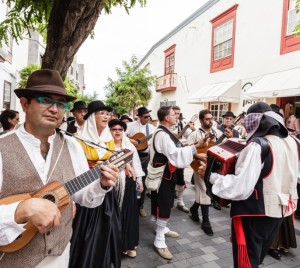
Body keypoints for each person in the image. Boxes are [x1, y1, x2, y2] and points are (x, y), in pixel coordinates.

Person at [0, 69, 118, 267]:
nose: (55, 109)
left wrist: (101, 185)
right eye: (46, 100)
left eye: (61, 104)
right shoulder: (2, 147)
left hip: (61, 256)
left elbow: (83, 196)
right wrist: (19, 211)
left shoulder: (72, 146)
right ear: (24, 104)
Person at [203, 102, 299, 268]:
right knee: (257, 256)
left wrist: (211, 176)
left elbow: (240, 187)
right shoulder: (294, 142)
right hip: (280, 211)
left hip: (255, 213)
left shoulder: (258, 146)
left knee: (247, 262)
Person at [149, 106, 208, 260]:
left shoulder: (163, 132)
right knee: (165, 204)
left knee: (163, 203)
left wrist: (196, 151)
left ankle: (161, 229)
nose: (177, 117)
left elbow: (178, 149)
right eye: (174, 115)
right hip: (164, 176)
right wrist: (196, 147)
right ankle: (159, 240)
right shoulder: (162, 134)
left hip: (166, 174)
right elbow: (175, 154)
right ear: (167, 118)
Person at [69, 100, 124, 268]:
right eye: (102, 113)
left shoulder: (109, 139)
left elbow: (115, 161)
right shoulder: (78, 139)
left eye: (108, 113)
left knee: (108, 226)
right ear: (92, 117)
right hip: (86, 190)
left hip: (106, 190)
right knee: (87, 232)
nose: (106, 116)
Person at [108, 119, 144, 258]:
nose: (117, 132)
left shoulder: (129, 145)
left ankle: (129, 245)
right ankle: (112, 246)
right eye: (114, 129)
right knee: (113, 214)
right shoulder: (104, 146)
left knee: (128, 214)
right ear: (109, 131)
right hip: (111, 183)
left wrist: (139, 181)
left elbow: (136, 164)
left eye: (120, 129)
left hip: (128, 182)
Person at [187, 109, 224, 236]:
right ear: (201, 120)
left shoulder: (217, 132)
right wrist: (198, 156)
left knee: (205, 191)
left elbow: (224, 148)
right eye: (207, 119)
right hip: (200, 166)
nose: (210, 121)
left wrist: (227, 138)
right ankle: (206, 222)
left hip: (213, 166)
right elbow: (188, 151)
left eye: (211, 118)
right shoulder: (194, 134)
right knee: (204, 191)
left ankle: (194, 208)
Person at [268, 104, 297, 260]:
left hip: (286, 182)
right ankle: (271, 246)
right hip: (273, 183)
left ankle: (282, 244)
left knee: (285, 215)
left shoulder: (288, 138)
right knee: (274, 216)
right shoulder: (265, 139)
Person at [126, 107, 155, 217]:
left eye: (149, 117)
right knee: (131, 180)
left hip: (145, 157)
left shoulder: (151, 128)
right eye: (145, 117)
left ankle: (140, 206)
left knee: (142, 181)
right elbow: (122, 136)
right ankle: (130, 205)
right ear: (139, 117)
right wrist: (131, 140)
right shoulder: (131, 126)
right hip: (132, 157)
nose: (148, 119)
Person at [171, 105, 195, 213]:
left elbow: (191, 136)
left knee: (180, 179)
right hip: (168, 156)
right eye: (174, 113)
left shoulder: (181, 124)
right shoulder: (165, 126)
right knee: (169, 179)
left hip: (179, 155)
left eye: (178, 113)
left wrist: (192, 128)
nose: (176, 116)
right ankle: (169, 202)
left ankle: (180, 202)